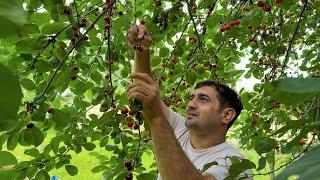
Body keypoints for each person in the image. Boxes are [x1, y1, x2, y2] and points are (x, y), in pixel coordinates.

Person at [126, 23, 253, 180]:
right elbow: (146, 92)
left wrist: (156, 117)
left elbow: (155, 111)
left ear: (226, 115)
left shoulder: (236, 165)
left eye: (203, 99)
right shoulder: (181, 130)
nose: (191, 104)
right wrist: (142, 50)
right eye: (192, 98)